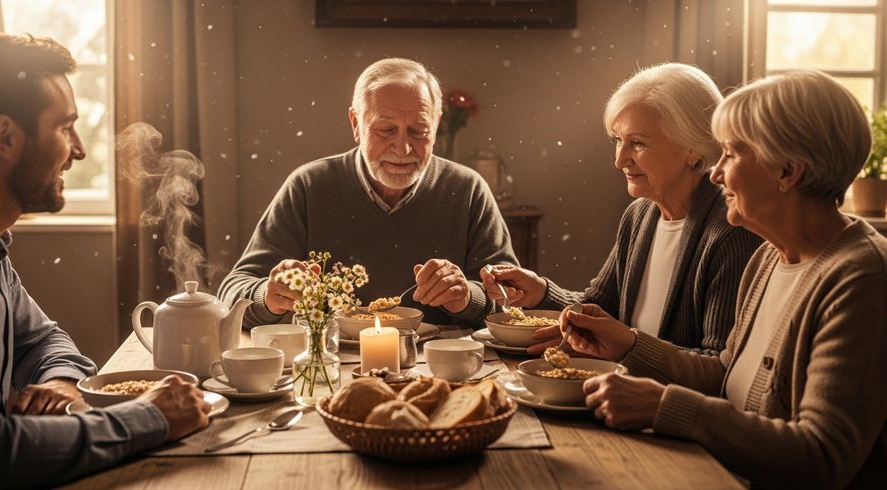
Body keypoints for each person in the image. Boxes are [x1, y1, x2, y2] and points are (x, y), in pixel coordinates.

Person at [567, 70, 887, 488]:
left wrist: (668, 406)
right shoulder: (770, 258)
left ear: (787, 172)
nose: (715, 174)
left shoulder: (860, 278)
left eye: (732, 155)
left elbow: (823, 456)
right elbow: (723, 374)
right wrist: (630, 345)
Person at [0, 34, 210, 487]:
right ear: (6, 136)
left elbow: (42, 342)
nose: (79, 149)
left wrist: (60, 382)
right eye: (64, 126)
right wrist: (150, 418)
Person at [481, 63, 761, 354]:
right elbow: (604, 310)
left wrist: (629, 350)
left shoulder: (731, 231)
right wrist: (539, 292)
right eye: (618, 140)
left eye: (638, 143)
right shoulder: (640, 215)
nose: (620, 160)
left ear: (693, 148)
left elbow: (719, 366)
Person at [219, 58, 517, 327]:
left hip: (441, 369)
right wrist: (269, 297)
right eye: (386, 130)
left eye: (419, 131)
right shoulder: (309, 186)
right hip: (331, 365)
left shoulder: (467, 189)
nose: (403, 148)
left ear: (437, 124)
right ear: (355, 124)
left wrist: (467, 298)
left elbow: (514, 301)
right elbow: (232, 290)